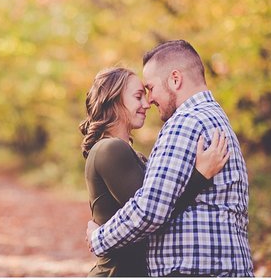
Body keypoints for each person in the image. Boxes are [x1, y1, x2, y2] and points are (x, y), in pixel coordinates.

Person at [87, 40, 254, 276]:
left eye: (150, 89)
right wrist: (199, 177)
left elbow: (151, 209)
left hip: (197, 269)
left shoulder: (185, 122)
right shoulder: (212, 117)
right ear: (115, 102)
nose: (149, 101)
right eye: (139, 95)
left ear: (175, 79)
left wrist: (98, 237)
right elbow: (156, 205)